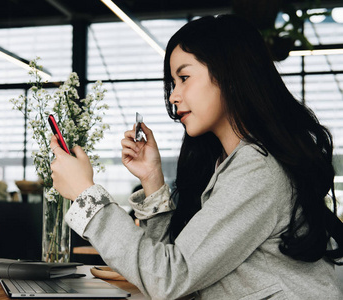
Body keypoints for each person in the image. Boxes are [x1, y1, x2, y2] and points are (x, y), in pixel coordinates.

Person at [49, 14, 343, 299]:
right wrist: (152, 180)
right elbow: (173, 269)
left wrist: (86, 195)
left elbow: (169, 279)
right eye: (173, 83)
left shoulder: (257, 168)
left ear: (230, 75)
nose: (173, 96)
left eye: (184, 77)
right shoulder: (231, 162)